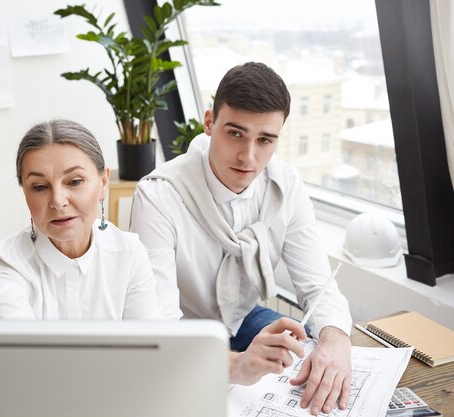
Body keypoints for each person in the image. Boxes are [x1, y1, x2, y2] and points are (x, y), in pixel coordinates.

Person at [130, 62, 352, 416]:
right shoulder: (158, 196)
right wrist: (235, 366)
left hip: (243, 318)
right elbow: (159, 331)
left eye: (265, 140)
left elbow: (318, 286)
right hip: (186, 331)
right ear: (209, 122)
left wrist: (337, 339)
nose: (249, 156)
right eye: (235, 133)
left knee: (318, 362)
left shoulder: (286, 185)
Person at [0, 119, 161, 320]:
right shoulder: (4, 266)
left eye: (74, 182)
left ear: (103, 183)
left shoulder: (130, 254)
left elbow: (146, 346)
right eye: (39, 187)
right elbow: (22, 350)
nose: (57, 201)